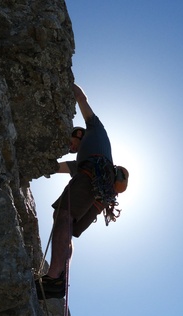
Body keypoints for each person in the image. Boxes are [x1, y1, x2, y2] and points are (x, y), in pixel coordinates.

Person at [35, 83, 128, 299]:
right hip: (102, 194)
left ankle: (54, 278)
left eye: (71, 143)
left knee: (63, 216)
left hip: (92, 177)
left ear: (79, 134)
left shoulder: (94, 129)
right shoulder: (83, 159)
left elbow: (81, 98)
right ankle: (60, 276)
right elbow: (54, 168)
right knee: (68, 227)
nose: (70, 147)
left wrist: (66, 81)